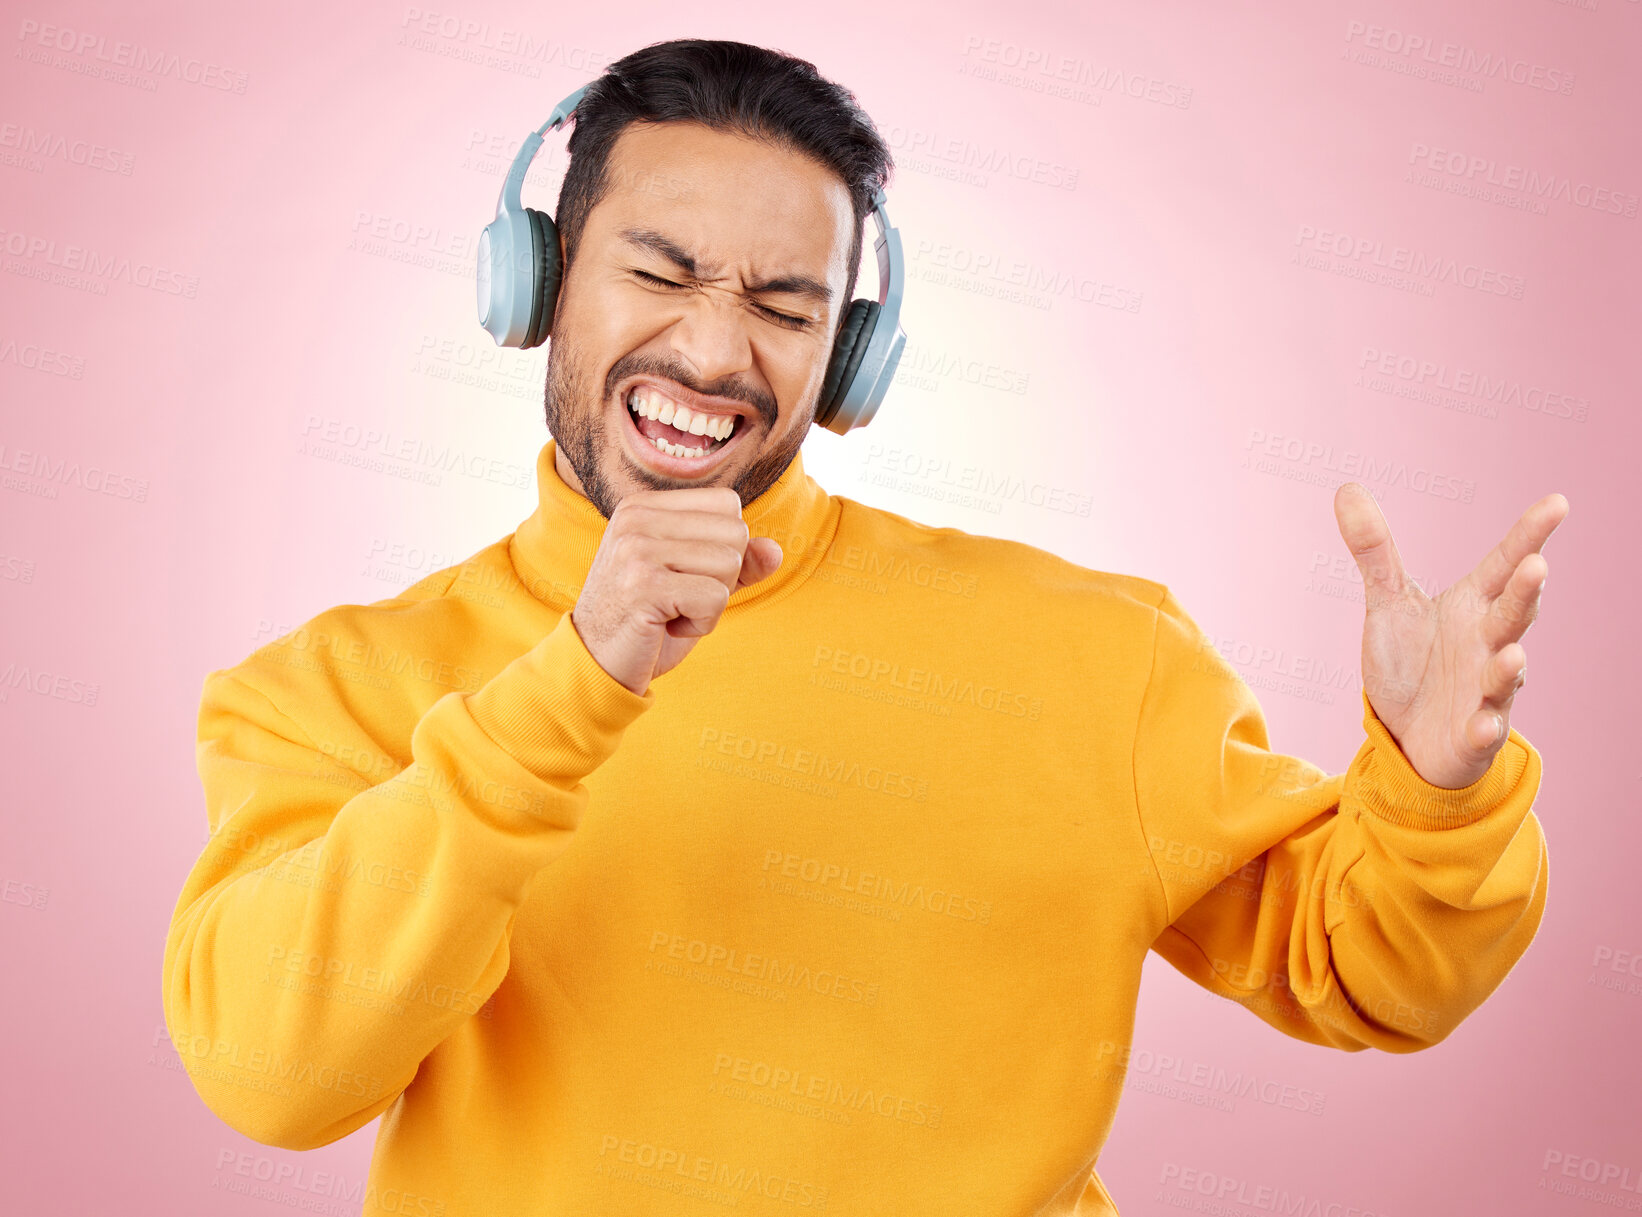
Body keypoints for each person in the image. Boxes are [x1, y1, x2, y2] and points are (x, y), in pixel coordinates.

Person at [161, 38, 1566, 1216]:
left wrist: (1435, 788)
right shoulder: (330, 691)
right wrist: (575, 685)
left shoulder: (1089, 652)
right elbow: (273, 1073)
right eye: (657, 273)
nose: (714, 353)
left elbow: (1370, 973)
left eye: (785, 304)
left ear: (849, 357)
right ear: (537, 280)